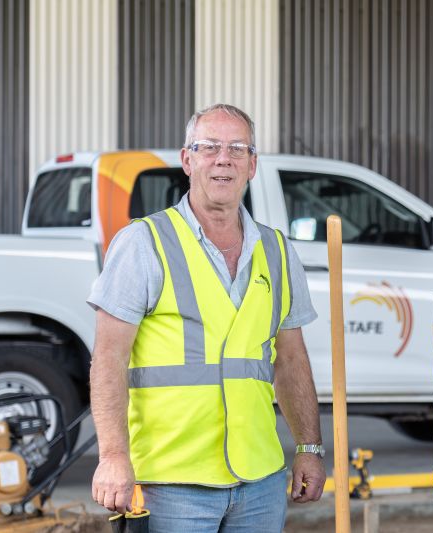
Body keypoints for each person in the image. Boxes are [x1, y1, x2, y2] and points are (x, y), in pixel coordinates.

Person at [88, 103, 326, 532]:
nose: (224, 159)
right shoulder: (145, 242)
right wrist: (112, 457)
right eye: (210, 147)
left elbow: (291, 359)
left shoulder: (277, 251)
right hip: (172, 482)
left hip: (259, 478)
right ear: (187, 160)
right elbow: (108, 359)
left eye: (237, 149)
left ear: (252, 165)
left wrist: (309, 447)